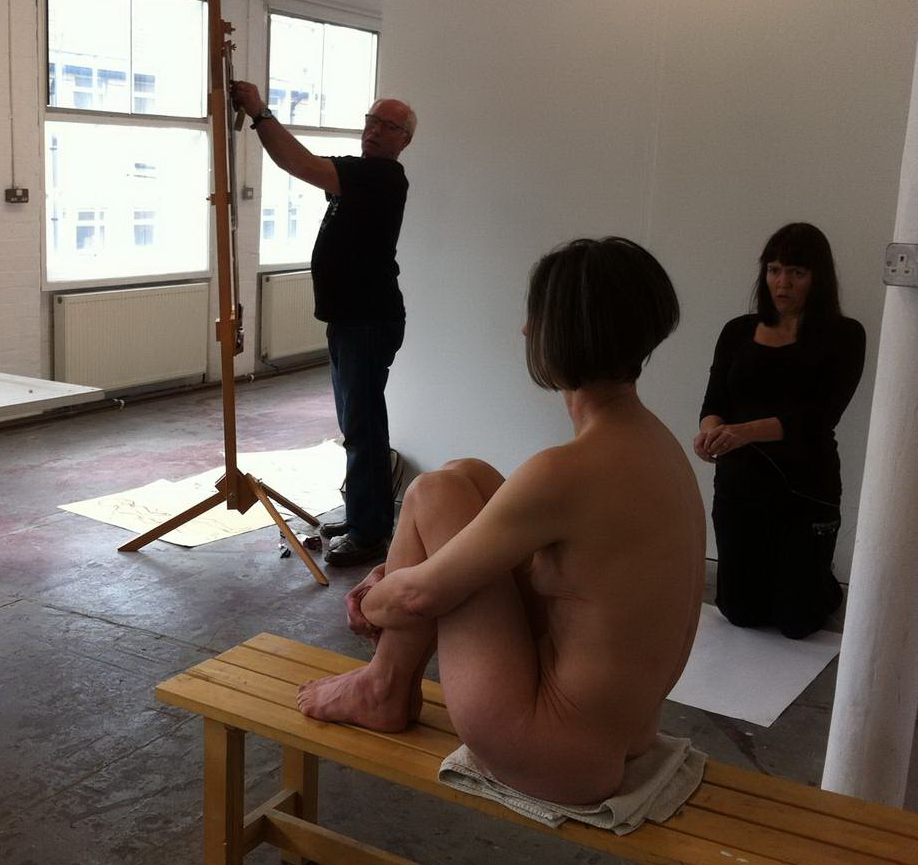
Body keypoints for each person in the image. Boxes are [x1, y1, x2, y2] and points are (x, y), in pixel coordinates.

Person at [297, 237, 704, 806]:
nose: (524, 330)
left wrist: (373, 598)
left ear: (558, 333)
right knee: (468, 476)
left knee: (432, 492)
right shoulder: (658, 445)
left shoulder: (566, 472)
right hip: (623, 734)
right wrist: (399, 578)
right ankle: (385, 681)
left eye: (534, 317)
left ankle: (384, 685)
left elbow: (414, 600)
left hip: (550, 751)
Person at [232, 80, 415, 567]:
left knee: (363, 427)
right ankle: (361, 519)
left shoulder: (382, 176)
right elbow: (304, 165)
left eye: (388, 126)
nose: (375, 130)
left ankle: (370, 533)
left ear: (404, 140)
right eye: (371, 121)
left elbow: (299, 163)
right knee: (357, 425)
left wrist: (259, 112)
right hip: (351, 320)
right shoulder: (359, 174)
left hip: (368, 321)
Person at [693, 223, 865, 639]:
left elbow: (820, 416)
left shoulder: (845, 335)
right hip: (739, 487)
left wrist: (745, 432)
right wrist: (710, 431)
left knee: (797, 623)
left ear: (818, 279)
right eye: (774, 270)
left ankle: (820, 580)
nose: (782, 283)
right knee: (740, 612)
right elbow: (715, 402)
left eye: (796, 273)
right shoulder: (737, 330)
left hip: (805, 489)